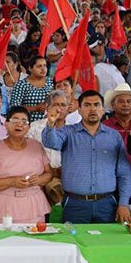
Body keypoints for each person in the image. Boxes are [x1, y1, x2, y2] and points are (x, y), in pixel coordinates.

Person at [42, 90, 131, 223]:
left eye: (96, 105)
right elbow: (51, 142)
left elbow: (124, 173)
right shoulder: (67, 132)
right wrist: (50, 124)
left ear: (103, 110)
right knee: (75, 243)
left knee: (106, 243)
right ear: (79, 110)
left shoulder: (114, 137)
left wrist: (123, 203)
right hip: (75, 204)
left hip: (107, 204)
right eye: (87, 105)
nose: (92, 109)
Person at [0, 106, 52, 223]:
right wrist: (11, 181)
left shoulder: (37, 146)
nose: (19, 124)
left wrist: (39, 179)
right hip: (3, 206)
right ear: (6, 124)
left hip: (33, 205)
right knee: (2, 240)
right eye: (15, 120)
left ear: (29, 127)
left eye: (24, 121)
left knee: (34, 240)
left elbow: (49, 174)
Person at [27, 90, 68, 205]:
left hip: (65, 179)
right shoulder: (35, 127)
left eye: (63, 105)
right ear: (47, 107)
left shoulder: (74, 129)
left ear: (68, 108)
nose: (59, 109)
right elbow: (27, 154)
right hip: (39, 178)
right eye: (55, 105)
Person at [9, 55, 53, 123]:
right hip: (28, 124)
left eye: (45, 65)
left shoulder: (51, 82)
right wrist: (35, 108)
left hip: (49, 123)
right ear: (30, 68)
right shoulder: (22, 84)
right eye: (39, 66)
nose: (43, 69)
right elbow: (14, 107)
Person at [104, 83, 131, 163]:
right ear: (113, 105)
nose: (125, 104)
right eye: (121, 101)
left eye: (129, 101)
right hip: (113, 171)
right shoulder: (105, 126)